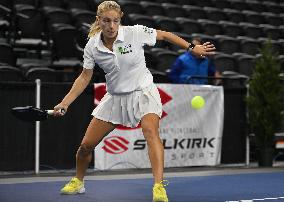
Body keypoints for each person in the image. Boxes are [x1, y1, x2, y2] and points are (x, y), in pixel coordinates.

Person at [53, 1, 215, 201]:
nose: (111, 26)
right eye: (106, 21)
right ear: (99, 21)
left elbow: (164, 35)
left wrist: (192, 47)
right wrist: (65, 102)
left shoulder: (135, 32)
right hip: (115, 98)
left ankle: (158, 186)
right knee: (86, 146)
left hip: (143, 92)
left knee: (150, 131)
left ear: (120, 20)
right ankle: (78, 181)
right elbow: (85, 76)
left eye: (115, 21)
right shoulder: (92, 46)